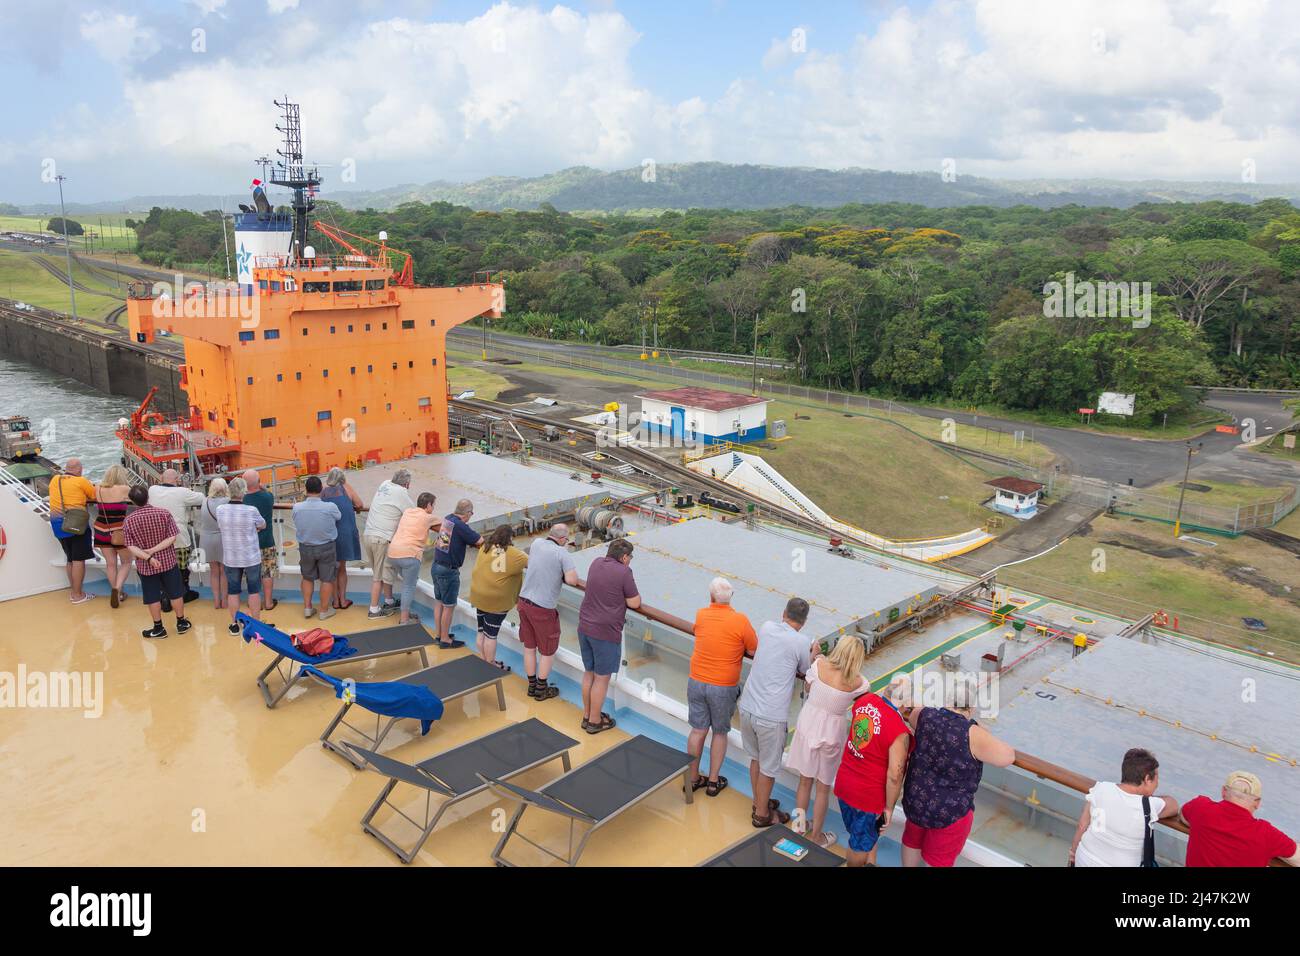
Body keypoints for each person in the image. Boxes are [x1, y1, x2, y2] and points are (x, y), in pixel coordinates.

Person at [900, 674, 1015, 868]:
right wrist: (981, 730)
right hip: (949, 812)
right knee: (939, 860)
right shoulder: (972, 733)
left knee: (912, 840)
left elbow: (912, 717)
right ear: (971, 709)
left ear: (946, 700)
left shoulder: (925, 715)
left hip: (916, 800)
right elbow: (1008, 757)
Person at [736, 596, 815, 828]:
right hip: (771, 715)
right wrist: (813, 652)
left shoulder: (767, 627)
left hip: (748, 705)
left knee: (755, 759)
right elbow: (804, 669)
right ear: (804, 621)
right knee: (768, 767)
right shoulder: (801, 641)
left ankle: (759, 802)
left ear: (784, 613)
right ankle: (762, 815)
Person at [786, 633, 869, 848]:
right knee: (822, 788)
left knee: (804, 782)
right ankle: (816, 837)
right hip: (832, 732)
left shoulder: (818, 665)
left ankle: (799, 828)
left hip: (809, 724)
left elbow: (807, 688)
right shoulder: (860, 683)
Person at [685, 577, 757, 797]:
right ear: (731, 597)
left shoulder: (701, 614)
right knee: (719, 732)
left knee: (698, 730)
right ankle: (714, 782)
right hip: (723, 686)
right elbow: (753, 650)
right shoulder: (740, 620)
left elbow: (699, 632)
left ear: (710, 597)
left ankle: (693, 778)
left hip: (696, 680)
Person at [833, 673, 911, 867]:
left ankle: (869, 862)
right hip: (867, 798)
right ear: (906, 703)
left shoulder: (865, 701)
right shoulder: (898, 730)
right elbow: (895, 775)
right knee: (859, 846)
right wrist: (889, 809)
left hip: (844, 785)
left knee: (858, 835)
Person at [1069, 748, 1180, 867]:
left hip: (1085, 856)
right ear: (1147, 779)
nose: (1157, 784)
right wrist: (1150, 797)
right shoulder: (1149, 805)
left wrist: (1073, 853)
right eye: (1157, 779)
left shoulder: (1101, 788)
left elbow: (1082, 825)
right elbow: (1174, 805)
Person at [576, 537, 640, 734]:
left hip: (585, 626)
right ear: (623, 557)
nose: (630, 560)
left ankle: (587, 715)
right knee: (602, 678)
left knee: (589, 673)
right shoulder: (624, 572)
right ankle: (595, 722)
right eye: (630, 557)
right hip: (605, 632)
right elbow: (635, 603)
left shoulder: (595, 563)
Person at [1180, 771, 1300, 867]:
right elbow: (1297, 858)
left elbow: (1183, 817)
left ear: (1224, 791)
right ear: (1257, 803)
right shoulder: (1266, 834)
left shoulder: (1200, 807)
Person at [517, 523, 578, 701]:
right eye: (566, 539)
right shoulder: (562, 553)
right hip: (542, 608)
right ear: (562, 539)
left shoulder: (536, 543)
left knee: (529, 646)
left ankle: (531, 685)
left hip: (524, 601)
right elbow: (572, 580)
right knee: (547, 650)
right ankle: (541, 688)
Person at [122, 484, 190, 638]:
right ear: (148, 497)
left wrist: (149, 557)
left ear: (132, 501)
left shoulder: (129, 520)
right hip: (168, 561)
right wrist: (154, 550)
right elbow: (172, 537)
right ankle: (181, 623)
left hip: (146, 566)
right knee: (175, 593)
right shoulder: (164, 513)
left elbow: (130, 545)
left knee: (152, 596)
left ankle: (158, 628)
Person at [468, 525, 529, 670]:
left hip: (479, 595)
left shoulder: (485, 547)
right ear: (510, 538)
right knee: (491, 635)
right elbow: (533, 562)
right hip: (496, 601)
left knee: (481, 630)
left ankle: (483, 659)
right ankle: (490, 665)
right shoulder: (515, 554)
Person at [147, 468, 205, 604]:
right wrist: (186, 488)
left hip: (158, 538)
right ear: (177, 480)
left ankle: (165, 596)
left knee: (161, 567)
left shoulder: (152, 490)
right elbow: (201, 498)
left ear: (161, 478)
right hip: (179, 537)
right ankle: (183, 593)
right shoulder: (182, 492)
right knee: (182, 568)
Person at [430, 498, 483, 649]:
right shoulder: (461, 525)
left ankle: (439, 634)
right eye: (471, 514)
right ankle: (445, 640)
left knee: (439, 602)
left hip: (436, 566)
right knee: (449, 606)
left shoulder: (448, 519)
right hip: (448, 571)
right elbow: (479, 540)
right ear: (468, 513)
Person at [216, 476, 265, 635]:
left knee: (233, 591)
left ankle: (234, 624)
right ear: (244, 492)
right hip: (250, 557)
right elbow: (262, 524)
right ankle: (256, 623)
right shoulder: (251, 510)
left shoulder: (220, 510)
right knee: (254, 590)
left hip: (231, 557)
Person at [362, 469, 414, 619]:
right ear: (406, 484)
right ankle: (373, 610)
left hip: (368, 535)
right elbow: (412, 512)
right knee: (378, 576)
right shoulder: (402, 492)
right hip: (381, 539)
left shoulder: (384, 484)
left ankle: (389, 600)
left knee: (385, 570)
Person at [385, 492, 440, 626]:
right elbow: (448, 526)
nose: (433, 508)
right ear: (428, 505)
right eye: (433, 505)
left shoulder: (408, 512)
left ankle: (406, 612)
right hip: (410, 554)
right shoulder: (428, 517)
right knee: (408, 586)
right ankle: (404, 620)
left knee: (409, 582)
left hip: (392, 553)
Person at [48, 458, 97, 604]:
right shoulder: (81, 481)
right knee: (78, 560)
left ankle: (74, 591)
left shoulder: (55, 479)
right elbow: (94, 495)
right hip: (76, 524)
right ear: (79, 469)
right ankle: (78, 595)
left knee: (70, 559)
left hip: (57, 523)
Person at [292, 476, 341, 620]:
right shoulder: (330, 507)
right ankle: (324, 611)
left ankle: (308, 608)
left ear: (306, 490)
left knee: (307, 577)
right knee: (327, 579)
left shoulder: (297, 507)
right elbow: (338, 517)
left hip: (305, 547)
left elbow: (295, 519)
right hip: (326, 547)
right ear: (321, 490)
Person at [321, 467, 363, 610]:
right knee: (342, 568)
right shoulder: (346, 487)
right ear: (342, 478)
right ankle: (343, 600)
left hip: (329, 534)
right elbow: (359, 504)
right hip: (345, 533)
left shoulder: (324, 491)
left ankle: (335, 601)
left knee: (332, 569)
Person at [92, 464, 133, 608]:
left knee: (111, 564)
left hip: (101, 529)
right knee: (126, 562)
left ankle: (118, 593)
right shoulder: (124, 489)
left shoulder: (98, 488)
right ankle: (117, 588)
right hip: (119, 531)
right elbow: (140, 498)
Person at [242, 470, 278, 614]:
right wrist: (262, 487)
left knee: (252, 573)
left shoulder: (242, 500)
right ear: (259, 482)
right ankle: (268, 602)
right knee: (267, 572)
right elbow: (268, 493)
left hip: (248, 544)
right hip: (266, 541)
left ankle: (254, 603)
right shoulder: (267, 497)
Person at [196, 477, 230, 612]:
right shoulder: (228, 502)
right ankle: (225, 601)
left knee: (214, 572)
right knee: (224, 571)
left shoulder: (205, 501)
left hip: (207, 539)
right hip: (223, 538)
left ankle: (216, 600)